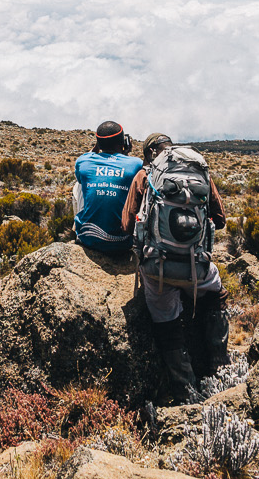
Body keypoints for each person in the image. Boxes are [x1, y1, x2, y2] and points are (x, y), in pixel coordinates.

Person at [121, 133, 228, 403]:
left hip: (159, 269)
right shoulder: (198, 174)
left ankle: (185, 391)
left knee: (166, 322)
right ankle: (222, 370)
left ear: (149, 154)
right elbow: (220, 220)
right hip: (197, 270)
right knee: (216, 294)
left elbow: (126, 226)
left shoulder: (145, 176)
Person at [72, 121, 143, 252]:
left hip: (89, 238)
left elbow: (86, 164)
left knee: (79, 184)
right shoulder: (136, 164)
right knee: (134, 182)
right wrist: (124, 154)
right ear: (124, 142)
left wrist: (96, 147)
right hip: (122, 242)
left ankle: (79, 228)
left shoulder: (83, 160)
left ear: (98, 143)